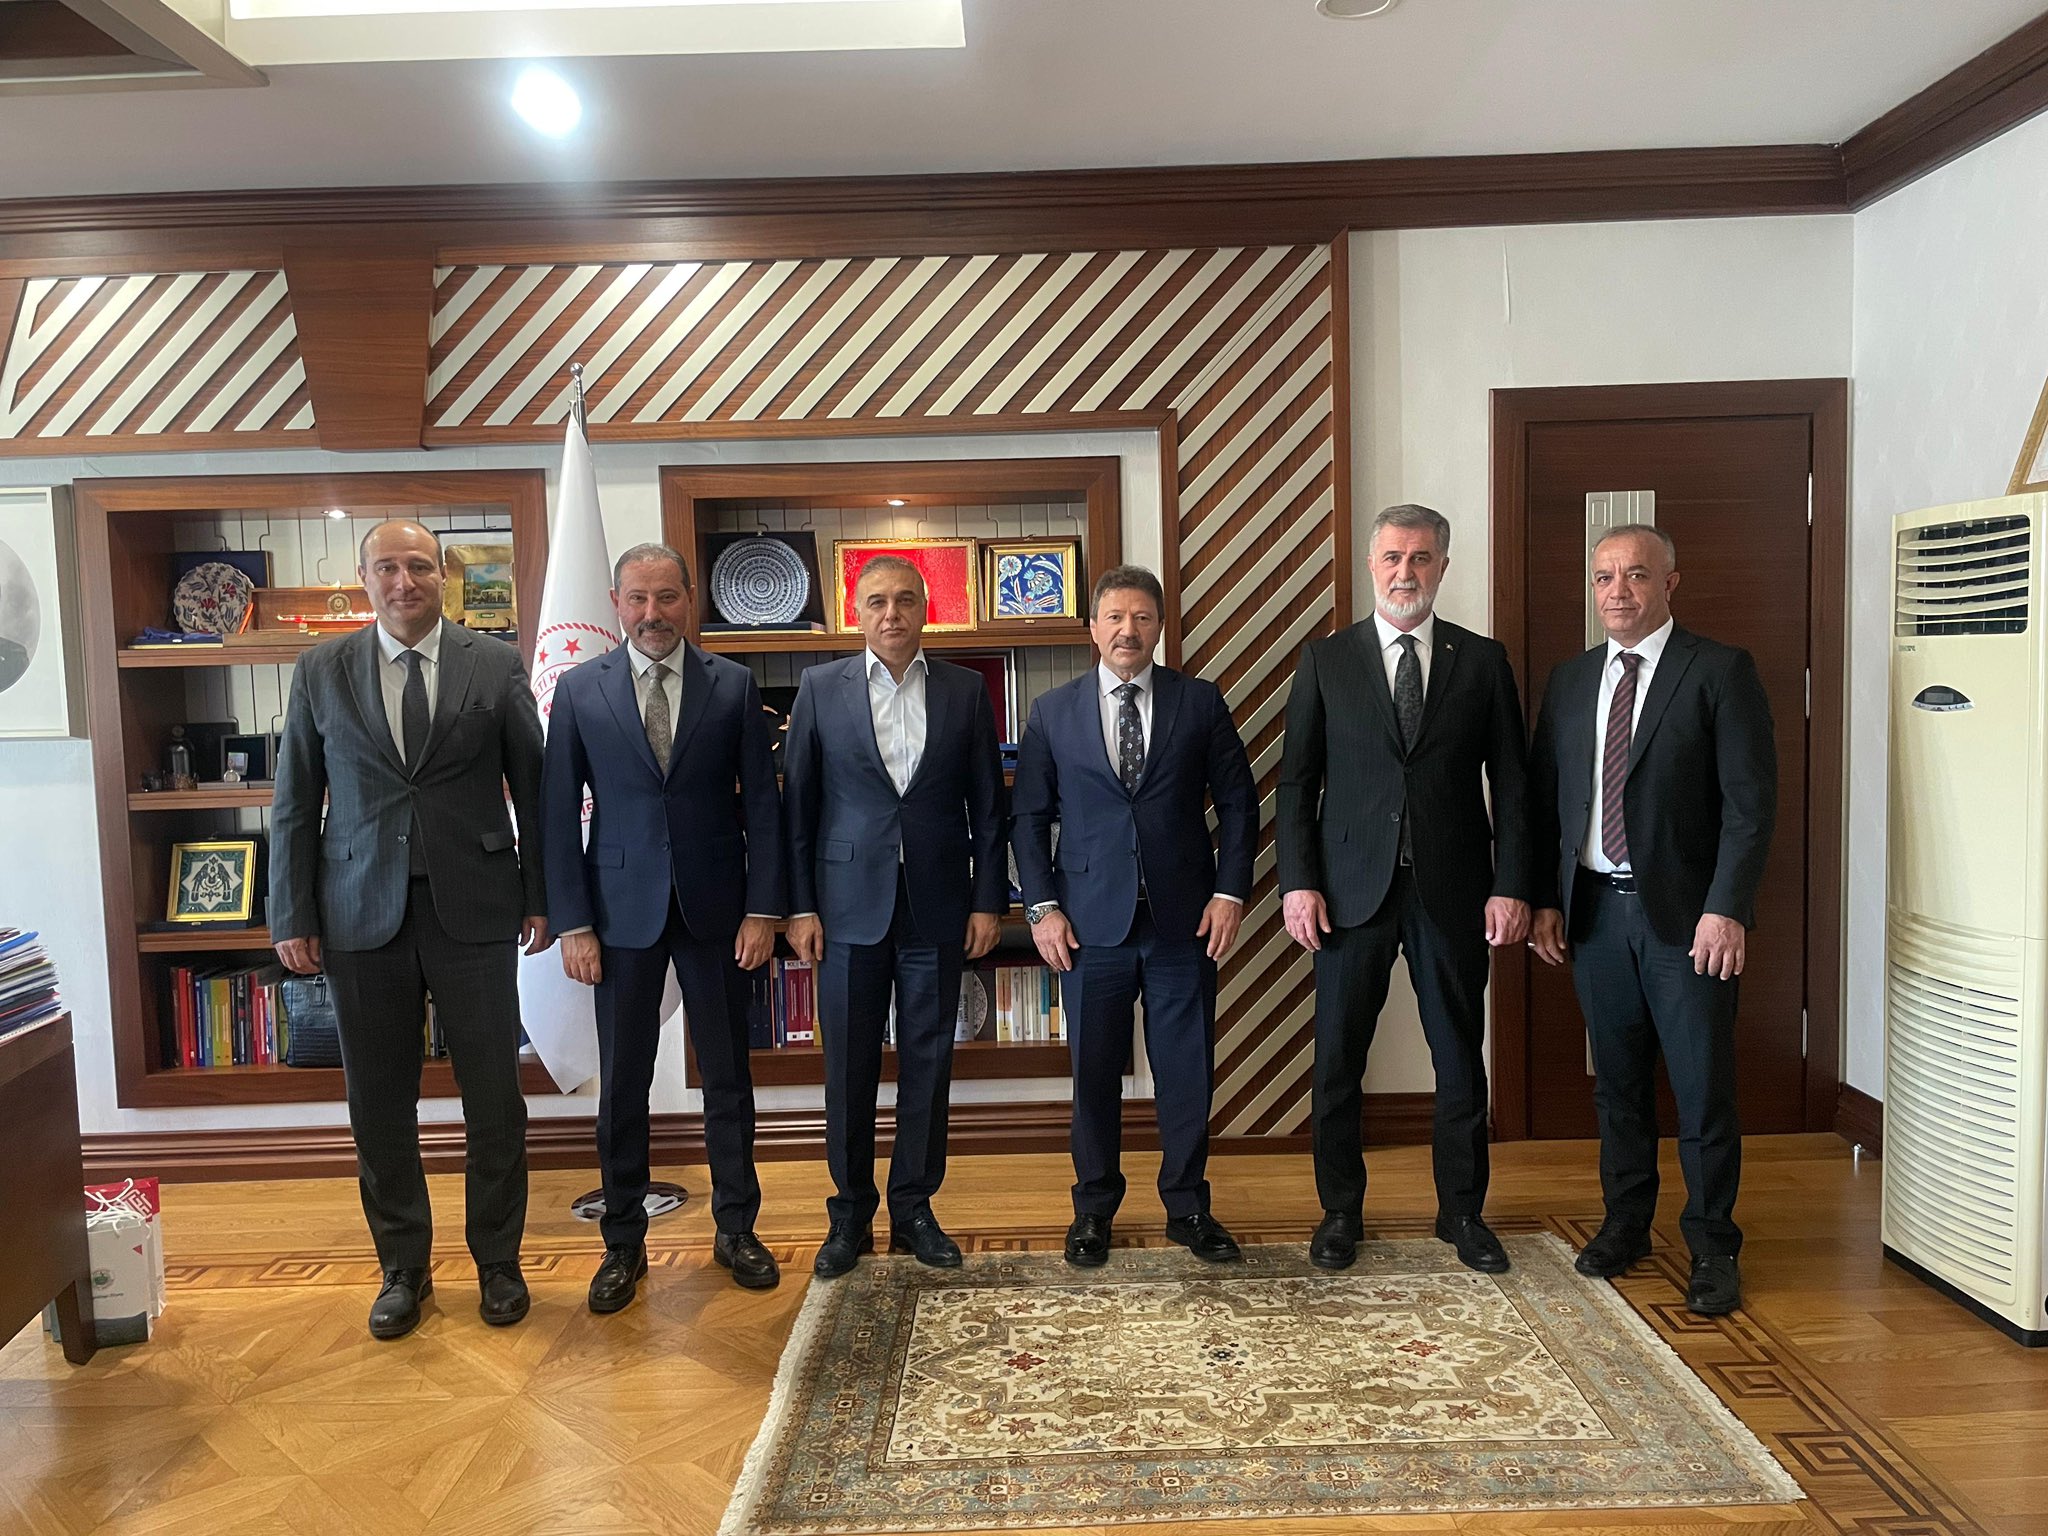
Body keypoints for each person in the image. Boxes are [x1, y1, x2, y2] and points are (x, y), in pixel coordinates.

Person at [270, 519, 550, 1340]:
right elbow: (294, 801)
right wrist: (291, 913)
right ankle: (403, 1268)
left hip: (477, 911)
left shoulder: (494, 663)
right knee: (379, 1104)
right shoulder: (321, 669)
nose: (404, 581)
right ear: (365, 579)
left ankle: (498, 1261)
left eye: (419, 566)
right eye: (387, 567)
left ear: (443, 576)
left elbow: (535, 793)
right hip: (359, 913)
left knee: (494, 1099)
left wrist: (543, 898)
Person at [1275, 503, 1531, 1275]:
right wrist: (1298, 883)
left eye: (1420, 558)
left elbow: (1512, 785)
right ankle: (1340, 1212)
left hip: (1455, 892)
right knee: (1337, 1063)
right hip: (1348, 895)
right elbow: (1297, 784)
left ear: (1443, 566)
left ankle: (1462, 1213)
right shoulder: (1326, 660)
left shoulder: (1482, 661)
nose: (1405, 572)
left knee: (1458, 1060)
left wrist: (1512, 883)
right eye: (1392, 557)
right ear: (1371, 564)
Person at [1528, 523, 1775, 1316]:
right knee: (1619, 1086)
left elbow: (1749, 807)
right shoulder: (1571, 680)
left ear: (1669, 583)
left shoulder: (1719, 671)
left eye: (1635, 575)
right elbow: (1544, 801)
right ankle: (1626, 1225)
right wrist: (1544, 898)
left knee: (1702, 1090)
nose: (1618, 591)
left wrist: (1726, 909)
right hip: (1596, 915)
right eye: (1604, 577)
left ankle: (1713, 1246)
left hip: (1688, 922)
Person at [541, 543, 786, 1309]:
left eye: (667, 597)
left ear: (689, 600)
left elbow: (763, 807)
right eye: (638, 599)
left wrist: (763, 909)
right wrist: (573, 923)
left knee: (729, 1080)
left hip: (720, 911)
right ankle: (622, 1242)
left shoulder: (733, 685)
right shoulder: (579, 690)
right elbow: (556, 815)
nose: (653, 614)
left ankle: (736, 1229)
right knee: (622, 1084)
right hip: (617, 916)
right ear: (617, 603)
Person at [1010, 564, 1258, 1265]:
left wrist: (1230, 893)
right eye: (1115, 617)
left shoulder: (1199, 701)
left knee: (1187, 1071)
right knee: (1093, 1074)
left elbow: (1239, 803)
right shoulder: (1052, 711)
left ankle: (1188, 1207)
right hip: (1089, 927)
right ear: (1092, 628)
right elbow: (1027, 820)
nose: (1128, 630)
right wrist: (1042, 910)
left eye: (1142, 617)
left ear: (1159, 627)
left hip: (1185, 921)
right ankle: (1093, 1209)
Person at [782, 555, 1006, 1279]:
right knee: (848, 1067)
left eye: (906, 600)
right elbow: (798, 809)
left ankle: (913, 1208)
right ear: (857, 612)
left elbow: (989, 808)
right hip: (846, 908)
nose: (892, 613)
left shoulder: (965, 691)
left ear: (925, 609)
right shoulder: (820, 688)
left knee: (929, 1062)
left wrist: (987, 900)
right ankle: (849, 1215)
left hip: (937, 905)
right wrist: (800, 907)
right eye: (877, 601)